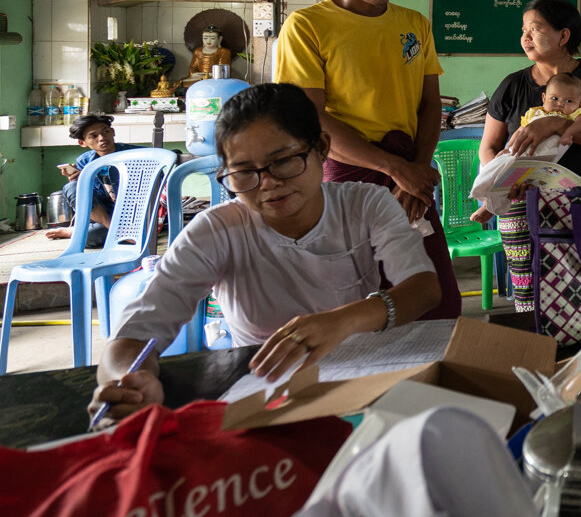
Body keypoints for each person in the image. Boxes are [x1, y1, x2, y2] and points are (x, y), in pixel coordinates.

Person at [89, 84, 442, 423]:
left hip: (360, 379)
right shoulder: (217, 230)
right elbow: (131, 338)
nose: (268, 183)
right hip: (265, 392)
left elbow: (424, 288)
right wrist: (125, 385)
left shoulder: (365, 204)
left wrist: (342, 320)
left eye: (283, 161)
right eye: (244, 173)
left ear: (321, 148)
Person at [273, 0, 460, 319]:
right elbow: (311, 119)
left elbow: (430, 105)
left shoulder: (415, 24)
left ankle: (430, 381)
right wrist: (396, 169)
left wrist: (415, 172)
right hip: (347, 177)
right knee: (358, 301)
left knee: (433, 296)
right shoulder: (307, 26)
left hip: (411, 173)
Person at [478, 0, 581, 312]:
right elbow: (488, 147)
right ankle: (535, 346)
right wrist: (503, 180)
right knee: (529, 293)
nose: (526, 37)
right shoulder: (512, 86)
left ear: (563, 36)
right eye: (524, 30)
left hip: (580, 199)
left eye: (536, 28)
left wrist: (556, 124)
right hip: (521, 203)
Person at [47, 114, 140, 246]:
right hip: (105, 216)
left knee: (88, 236)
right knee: (71, 188)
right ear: (82, 142)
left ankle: (74, 232)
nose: (102, 138)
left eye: (105, 131)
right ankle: (117, 231)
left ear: (112, 132)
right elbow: (85, 199)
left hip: (134, 215)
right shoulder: (84, 161)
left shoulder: (139, 155)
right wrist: (77, 181)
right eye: (93, 136)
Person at [517, 72, 581, 150]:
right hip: (525, 151)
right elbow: (520, 131)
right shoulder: (535, 113)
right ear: (544, 98)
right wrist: (508, 147)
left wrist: (568, 133)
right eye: (554, 98)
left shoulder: (574, 114)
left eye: (568, 101)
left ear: (580, 105)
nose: (560, 104)